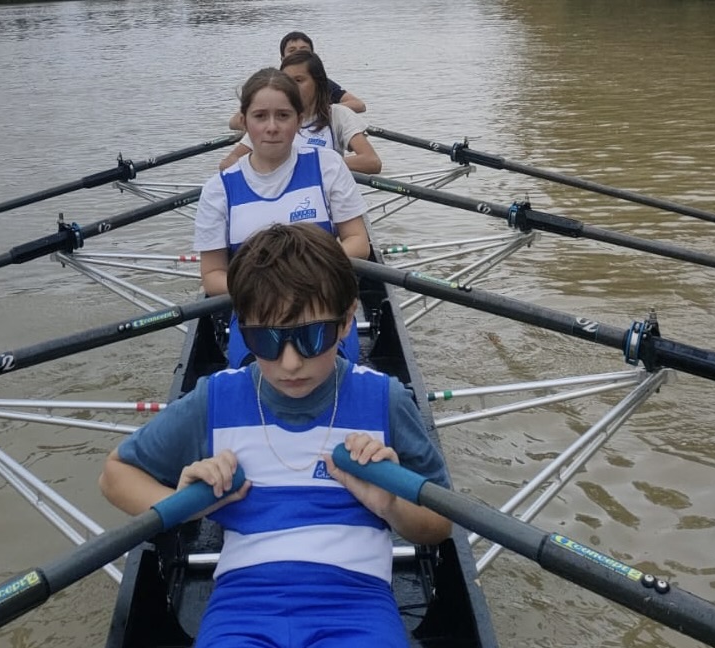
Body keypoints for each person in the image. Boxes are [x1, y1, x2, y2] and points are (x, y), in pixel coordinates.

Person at [99, 223, 453, 648]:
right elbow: (114, 475)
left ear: (346, 321)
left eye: (312, 336)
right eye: (264, 339)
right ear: (241, 326)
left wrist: (391, 505)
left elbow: (439, 524)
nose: (289, 363)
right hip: (242, 608)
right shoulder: (215, 400)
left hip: (356, 606)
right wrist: (183, 506)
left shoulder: (385, 400)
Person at [197, 66, 370, 368]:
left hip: (323, 304)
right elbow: (212, 276)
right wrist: (269, 288)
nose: (272, 127)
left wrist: (302, 279)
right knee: (253, 371)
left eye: (283, 115)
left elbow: (358, 242)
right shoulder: (218, 189)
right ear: (245, 122)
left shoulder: (328, 166)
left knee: (332, 368)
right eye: (260, 116)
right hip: (256, 313)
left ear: (299, 120)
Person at [220, 51, 382, 174]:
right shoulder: (273, 123)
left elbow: (372, 162)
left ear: (318, 83)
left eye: (298, 80)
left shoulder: (338, 115)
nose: (291, 87)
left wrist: (314, 165)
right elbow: (227, 164)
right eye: (286, 81)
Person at [228, 31, 366, 130]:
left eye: (304, 49)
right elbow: (234, 122)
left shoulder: (320, 82)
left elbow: (359, 105)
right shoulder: (271, 84)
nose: (298, 53)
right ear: (282, 58)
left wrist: (319, 113)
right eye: (292, 50)